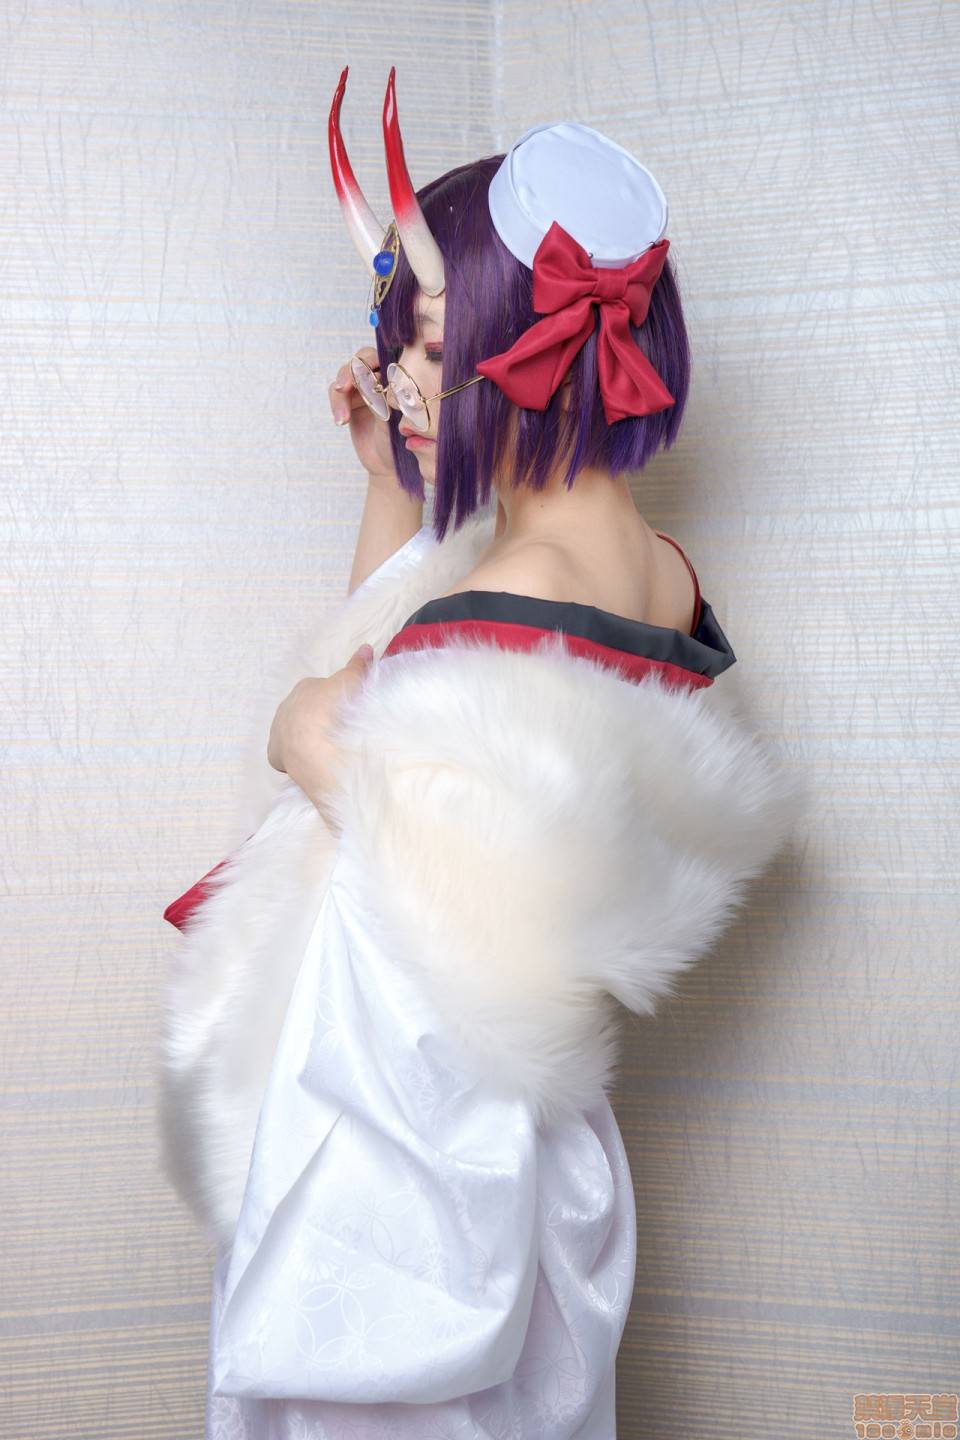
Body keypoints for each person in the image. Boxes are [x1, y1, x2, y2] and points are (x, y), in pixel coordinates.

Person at [155, 65, 806, 1440]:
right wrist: (392, 489)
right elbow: (430, 701)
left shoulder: (506, 593)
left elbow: (412, 838)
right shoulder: (653, 568)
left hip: (409, 1158)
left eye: (431, 338)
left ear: (528, 348)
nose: (399, 370)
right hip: (520, 1133)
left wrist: (300, 732)